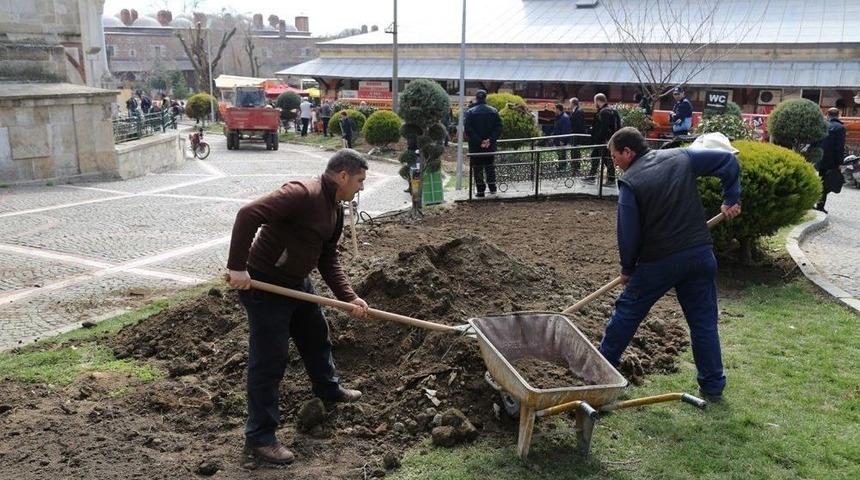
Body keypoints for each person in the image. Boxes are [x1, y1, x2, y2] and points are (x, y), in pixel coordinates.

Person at [226, 149, 370, 465]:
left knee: (316, 335)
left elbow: (328, 258)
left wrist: (349, 297)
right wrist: (237, 267)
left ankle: (328, 390)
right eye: (359, 180)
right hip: (266, 284)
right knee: (269, 360)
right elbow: (248, 214)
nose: (361, 187)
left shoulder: (335, 209)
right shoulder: (302, 193)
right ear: (343, 176)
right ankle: (260, 439)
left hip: (296, 282)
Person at [597, 127, 741, 404]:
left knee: (627, 311)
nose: (614, 163)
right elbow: (727, 161)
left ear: (628, 152)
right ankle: (713, 387)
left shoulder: (631, 182)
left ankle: (600, 370)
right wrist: (731, 198)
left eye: (615, 156)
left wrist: (628, 269)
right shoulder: (681, 157)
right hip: (699, 255)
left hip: (659, 261)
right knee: (703, 323)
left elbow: (628, 234)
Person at [463, 89, 502, 198]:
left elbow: (468, 130)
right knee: (490, 166)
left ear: (476, 98)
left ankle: (480, 191)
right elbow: (498, 128)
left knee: (477, 168)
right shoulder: (494, 111)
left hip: (476, 147)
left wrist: (479, 141)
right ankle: (492, 188)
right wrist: (490, 140)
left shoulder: (470, 112)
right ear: (485, 98)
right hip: (490, 146)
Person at [815, 108, 846, 213]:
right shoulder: (840, 128)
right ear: (838, 115)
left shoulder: (822, 126)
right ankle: (819, 205)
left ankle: (817, 203)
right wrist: (839, 162)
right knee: (827, 184)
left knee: (822, 181)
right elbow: (839, 147)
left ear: (827, 114)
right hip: (831, 161)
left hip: (820, 159)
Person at [587, 93, 622, 185]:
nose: (595, 103)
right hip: (611, 139)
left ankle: (610, 179)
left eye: (595, 101)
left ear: (598, 101)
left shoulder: (603, 112)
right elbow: (618, 126)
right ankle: (592, 176)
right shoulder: (613, 111)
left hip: (604, 141)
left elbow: (603, 128)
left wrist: (599, 138)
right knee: (597, 157)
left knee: (605, 159)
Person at [551, 103, 573, 171]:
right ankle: (560, 167)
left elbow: (566, 129)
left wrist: (562, 140)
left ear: (558, 109)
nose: (554, 110)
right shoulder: (559, 116)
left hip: (561, 140)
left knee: (562, 154)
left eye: (555, 109)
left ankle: (562, 168)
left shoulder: (565, 117)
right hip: (557, 139)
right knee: (560, 154)